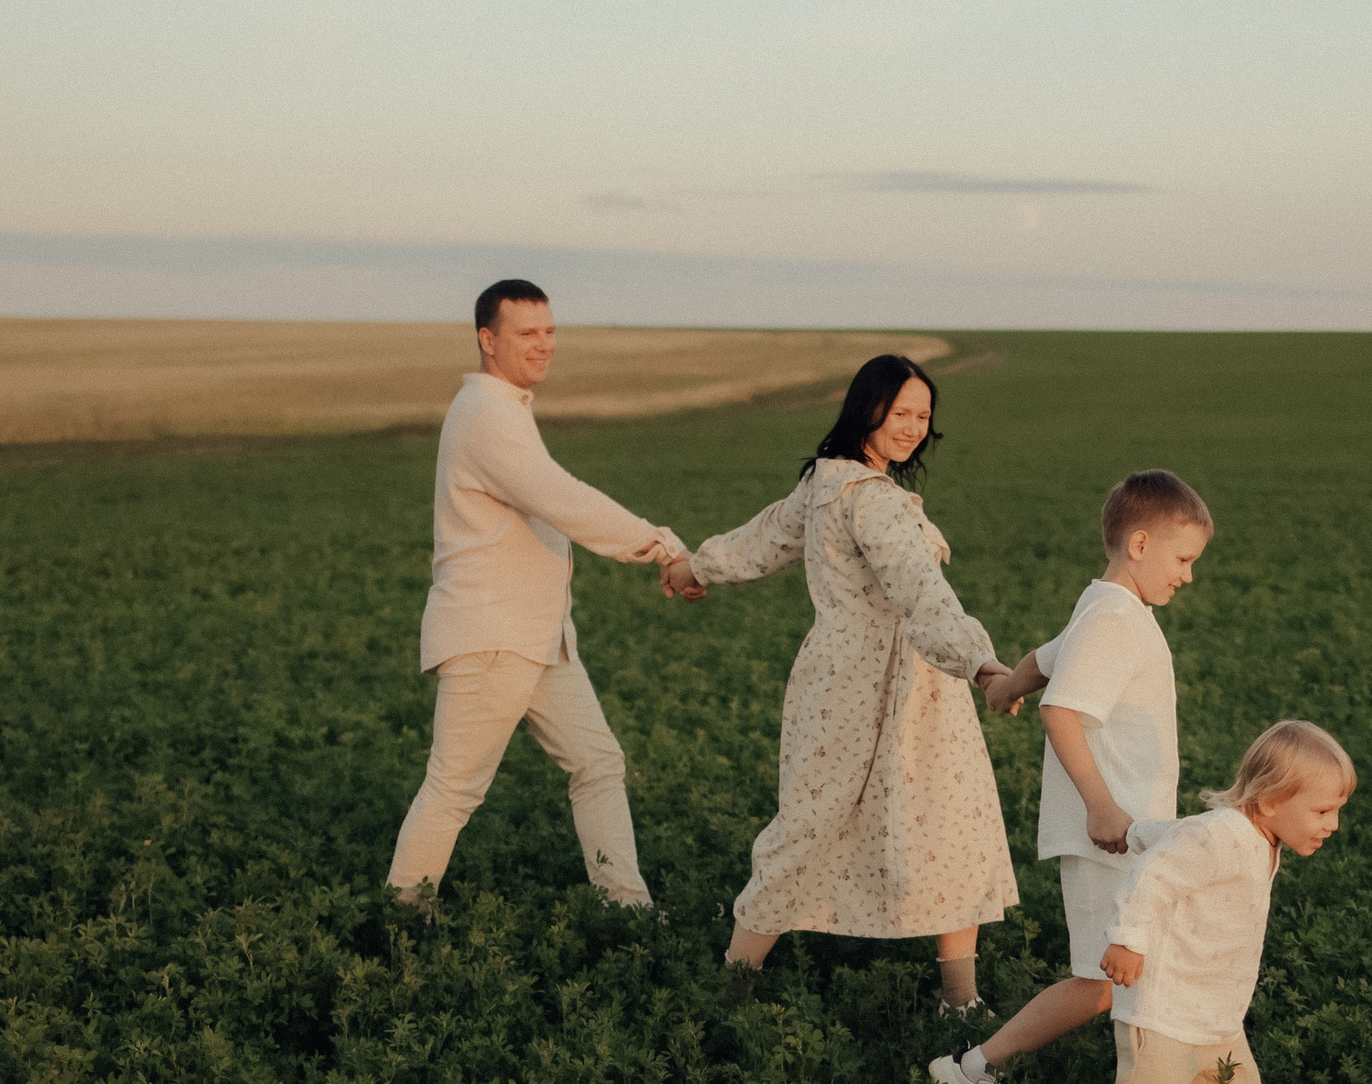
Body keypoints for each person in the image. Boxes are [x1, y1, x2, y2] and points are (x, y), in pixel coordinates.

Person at [671, 353, 1016, 1011]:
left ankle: (957, 999)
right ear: (868, 407)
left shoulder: (828, 482)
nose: (914, 426)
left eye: (923, 415)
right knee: (867, 823)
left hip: (855, 680)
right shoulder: (868, 498)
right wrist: (980, 662)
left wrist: (694, 567)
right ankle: (730, 992)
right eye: (901, 412)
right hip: (890, 682)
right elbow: (922, 593)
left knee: (917, 822)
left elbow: (761, 540)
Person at [386, 279, 694, 910]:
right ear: (487, 339)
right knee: (453, 790)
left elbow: (550, 501)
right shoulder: (487, 416)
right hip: (494, 636)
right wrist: (662, 546)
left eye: (550, 331)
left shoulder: (506, 408)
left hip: (538, 638)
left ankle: (627, 911)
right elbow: (561, 497)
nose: (544, 344)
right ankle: (397, 923)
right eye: (527, 333)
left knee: (598, 764)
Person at [928, 470, 1213, 1084]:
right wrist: (1100, 803)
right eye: (1184, 559)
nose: (1189, 576)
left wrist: (1006, 687)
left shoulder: (1104, 606)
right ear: (1139, 544)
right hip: (1107, 834)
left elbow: (1049, 657)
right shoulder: (1117, 618)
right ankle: (972, 1070)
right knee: (1101, 981)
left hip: (1125, 831)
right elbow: (1063, 710)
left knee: (1137, 964)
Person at [1015, 719, 1355, 1084]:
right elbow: (1154, 876)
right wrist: (1127, 940)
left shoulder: (1257, 838)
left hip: (1215, 1010)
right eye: (1322, 811)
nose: (1332, 824)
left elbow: (1172, 838)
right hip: (1165, 1007)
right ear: (1271, 801)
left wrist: (1135, 831)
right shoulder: (1223, 834)